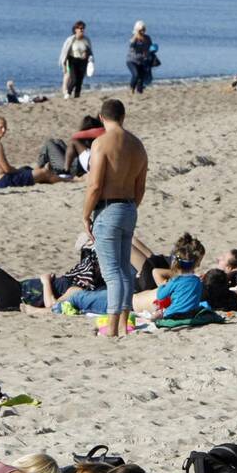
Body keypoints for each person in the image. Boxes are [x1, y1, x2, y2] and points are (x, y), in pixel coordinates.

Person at [83, 98, 147, 337]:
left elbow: (95, 185)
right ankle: (123, 325)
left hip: (108, 208)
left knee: (112, 273)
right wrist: (130, 206)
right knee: (124, 270)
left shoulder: (101, 143)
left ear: (101, 118)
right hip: (129, 207)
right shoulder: (137, 145)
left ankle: (111, 328)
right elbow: (140, 186)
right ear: (123, 117)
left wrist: (85, 214)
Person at [0, 236, 103, 311]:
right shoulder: (79, 280)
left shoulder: (79, 288)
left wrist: (46, 282)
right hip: (19, 291)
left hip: (18, 296)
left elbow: (53, 306)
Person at [0, 117, 64, 188]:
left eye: (5, 127)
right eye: (0, 127)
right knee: (44, 172)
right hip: (5, 181)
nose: (3, 130)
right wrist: (18, 171)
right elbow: (7, 169)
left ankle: (51, 177)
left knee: (27, 169)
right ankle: (68, 180)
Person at [152, 233, 206, 318]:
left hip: (173, 314)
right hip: (191, 314)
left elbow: (160, 296)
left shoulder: (175, 281)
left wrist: (163, 285)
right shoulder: (197, 280)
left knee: (158, 313)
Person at [59, 21, 93, 99]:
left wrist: (88, 56)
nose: (82, 30)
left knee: (80, 81)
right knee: (74, 79)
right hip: (72, 61)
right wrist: (64, 62)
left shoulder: (86, 39)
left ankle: (77, 96)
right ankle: (68, 93)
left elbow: (90, 51)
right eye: (80, 28)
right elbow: (65, 51)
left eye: (83, 28)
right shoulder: (71, 39)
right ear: (75, 29)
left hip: (83, 61)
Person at [127, 21, 153, 94]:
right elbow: (131, 45)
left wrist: (150, 52)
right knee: (136, 75)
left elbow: (150, 47)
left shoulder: (147, 38)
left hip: (143, 61)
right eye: (141, 30)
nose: (142, 32)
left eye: (144, 30)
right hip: (132, 60)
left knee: (141, 78)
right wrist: (136, 36)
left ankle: (139, 92)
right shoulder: (134, 38)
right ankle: (131, 88)